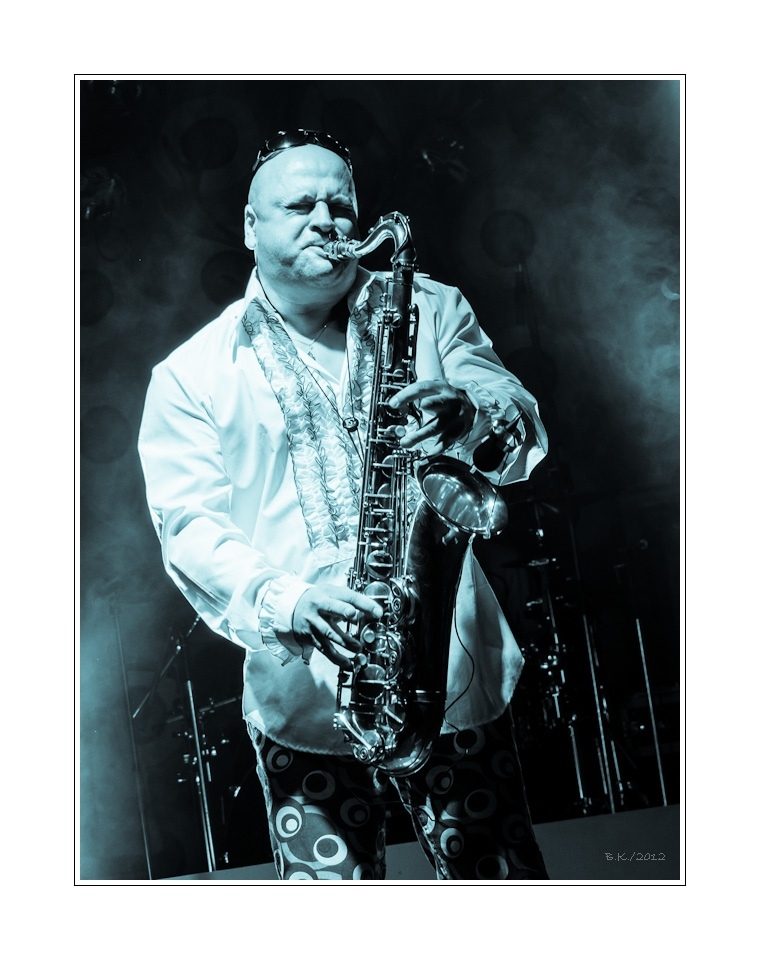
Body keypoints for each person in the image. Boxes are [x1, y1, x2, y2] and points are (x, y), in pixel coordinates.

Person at [138, 129, 550, 881]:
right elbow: (189, 527)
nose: (327, 220)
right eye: (300, 205)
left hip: (450, 674)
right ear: (249, 226)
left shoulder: (433, 308)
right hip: (300, 699)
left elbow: (521, 425)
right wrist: (290, 602)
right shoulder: (190, 373)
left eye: (341, 204)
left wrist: (470, 413)